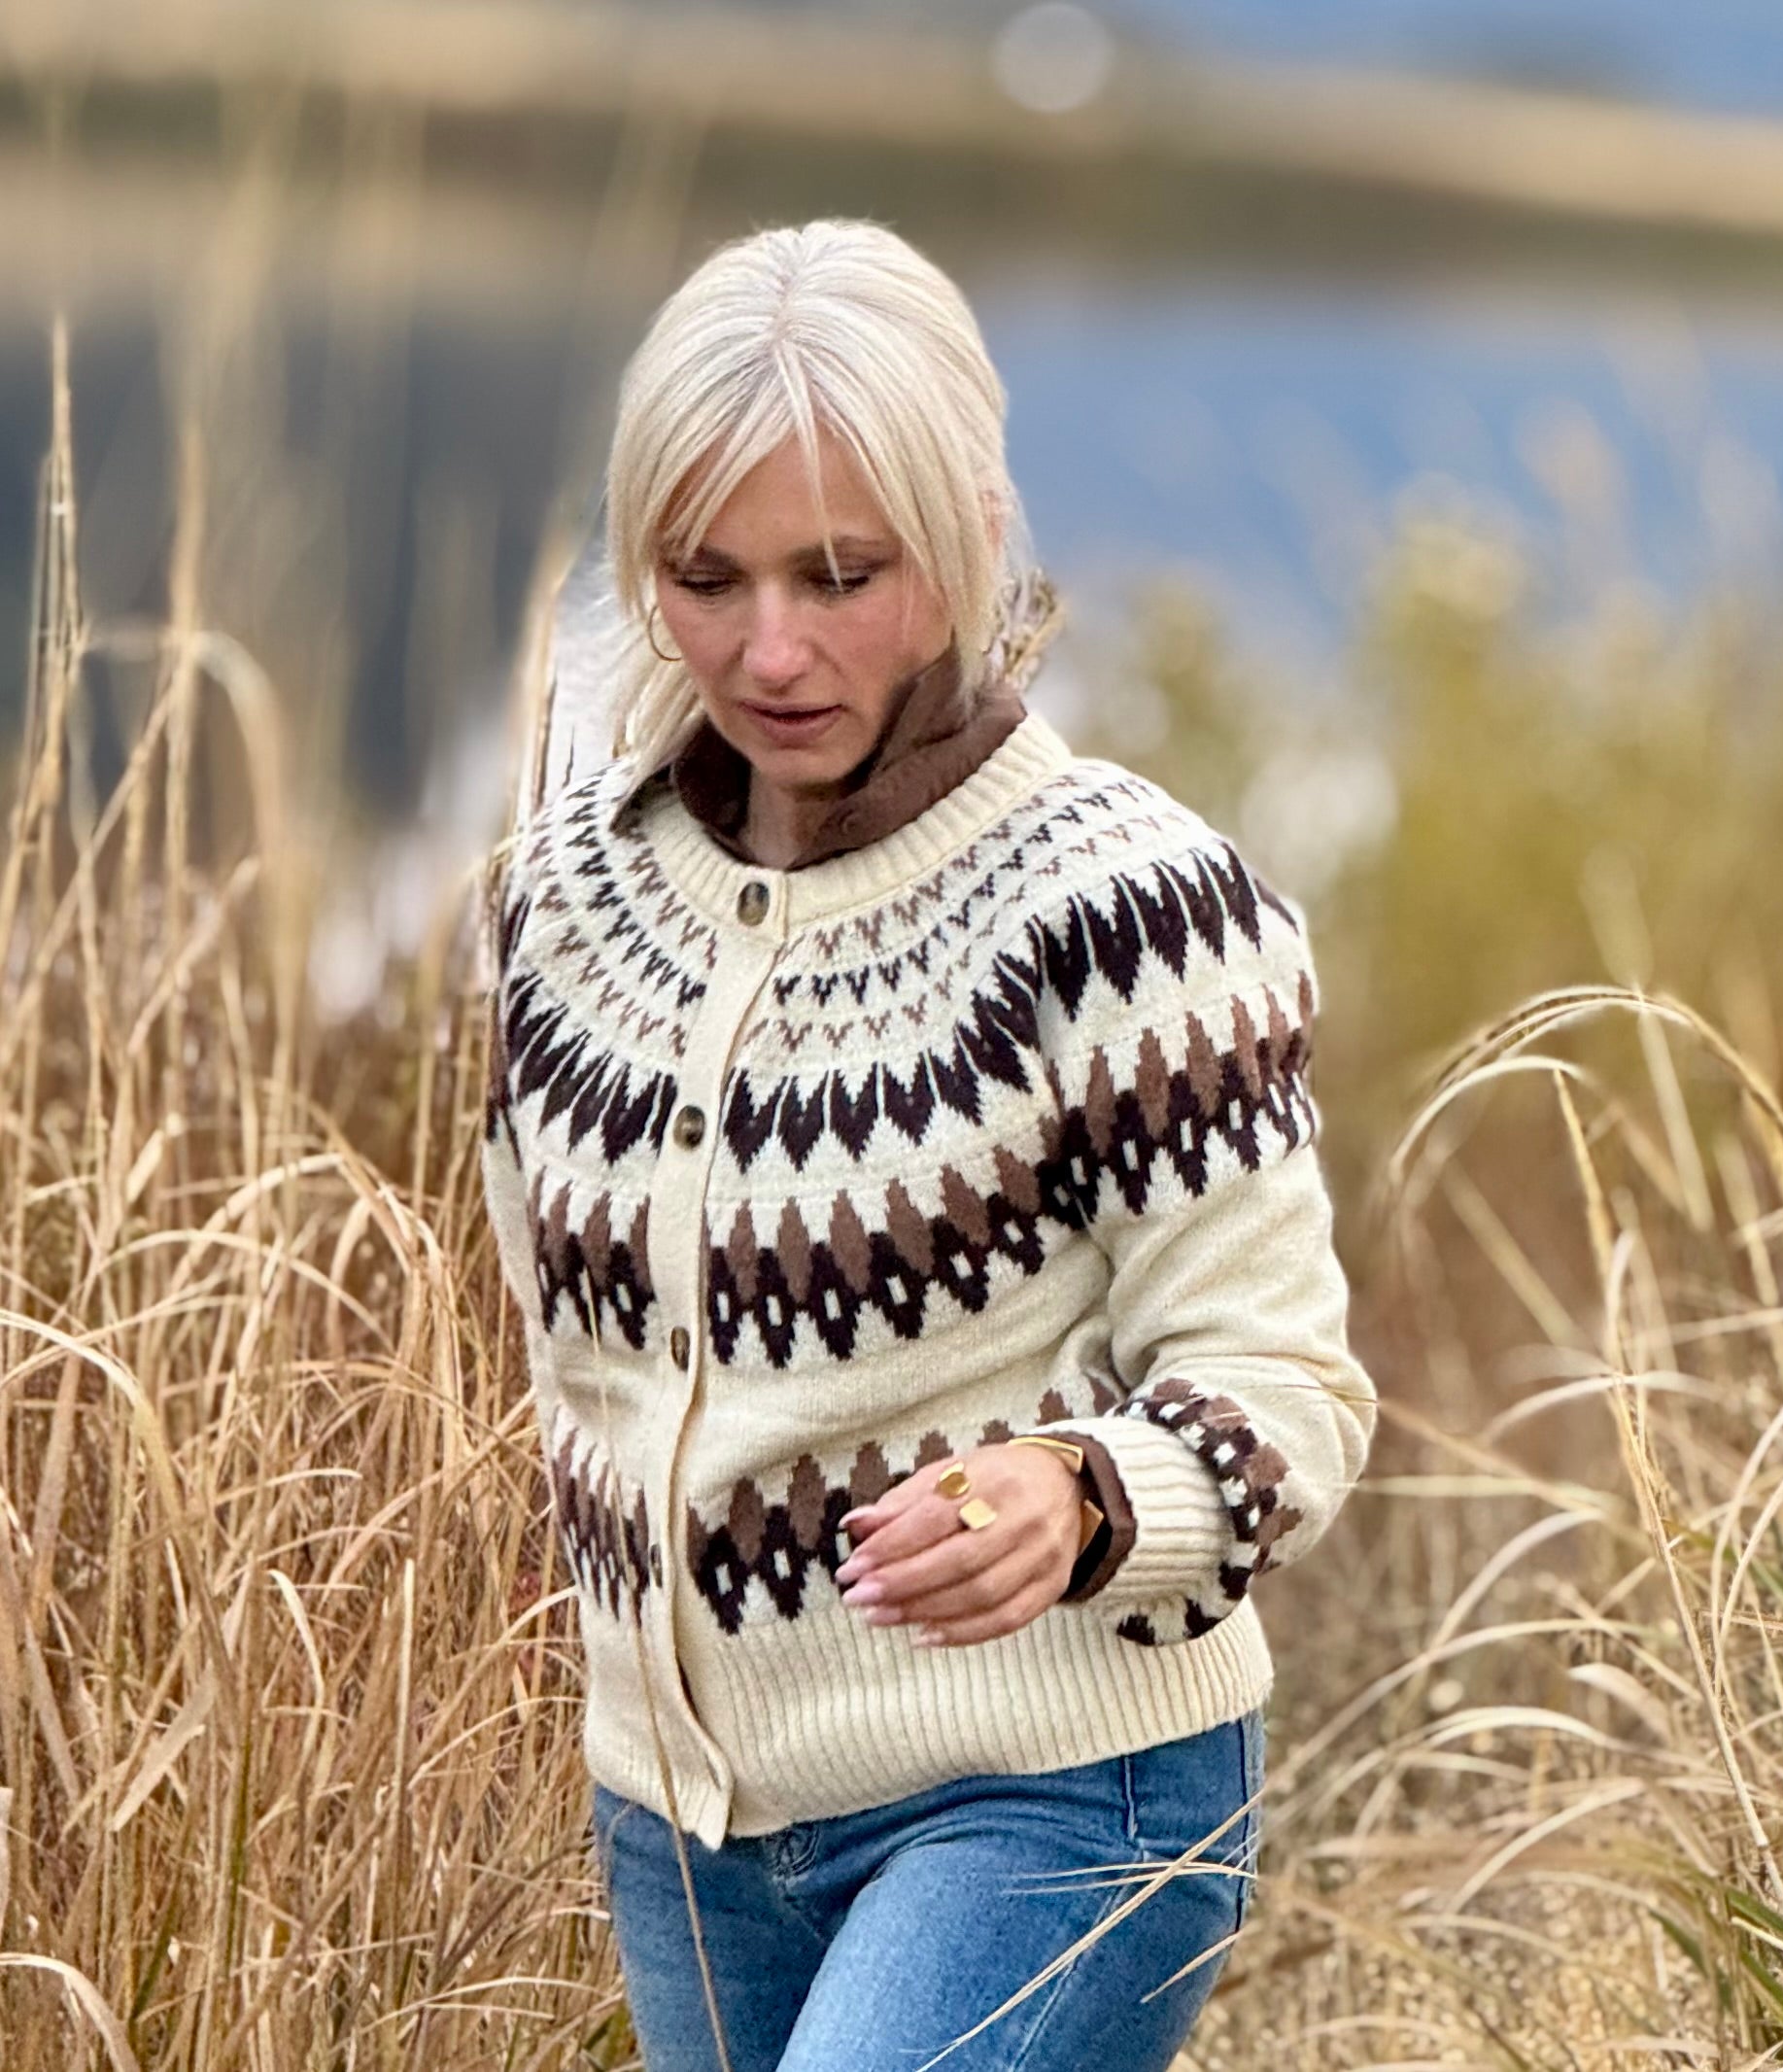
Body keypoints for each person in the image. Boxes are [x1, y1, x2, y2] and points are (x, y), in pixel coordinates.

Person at [478, 217, 1378, 2072]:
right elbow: (584, 1364)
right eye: (704, 577)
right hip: (686, 1823)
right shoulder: (564, 899)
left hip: (1058, 1796)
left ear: (966, 532)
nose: (771, 647)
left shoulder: (1124, 908)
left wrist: (1084, 1495)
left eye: (840, 573)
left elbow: (1287, 1387)